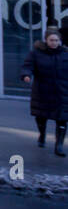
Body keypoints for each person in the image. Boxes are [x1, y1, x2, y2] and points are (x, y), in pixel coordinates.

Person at [21, 27, 67, 156]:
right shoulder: (36, 53)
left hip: (61, 92)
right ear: (46, 40)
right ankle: (42, 134)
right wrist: (26, 75)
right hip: (43, 90)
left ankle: (59, 146)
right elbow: (28, 66)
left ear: (60, 41)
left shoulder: (65, 54)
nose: (54, 43)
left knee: (62, 119)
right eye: (51, 40)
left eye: (56, 40)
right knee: (41, 117)